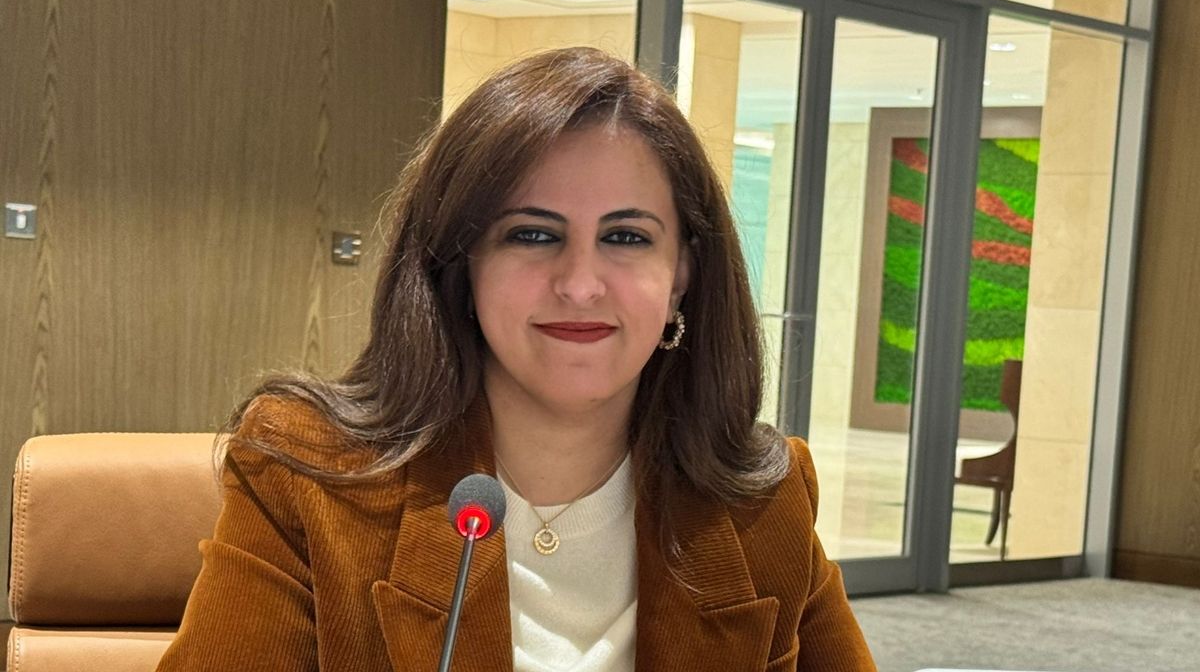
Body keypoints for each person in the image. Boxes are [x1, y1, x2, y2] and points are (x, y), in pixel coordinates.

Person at [156, 46, 877, 672]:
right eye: (533, 235)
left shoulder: (761, 500)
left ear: (682, 273)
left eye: (626, 237)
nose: (581, 284)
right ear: (460, 263)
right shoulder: (307, 474)